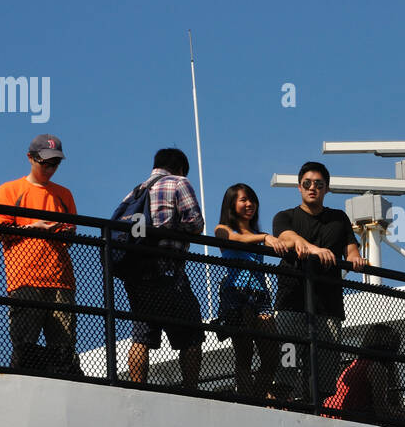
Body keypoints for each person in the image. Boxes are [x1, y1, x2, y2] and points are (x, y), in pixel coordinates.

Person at [271, 161, 367, 401]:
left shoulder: (338, 218)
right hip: (291, 305)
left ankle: (315, 413)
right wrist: (315, 250)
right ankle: (280, 410)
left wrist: (356, 259)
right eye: (307, 183)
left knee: (323, 376)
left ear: (327, 189)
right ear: (299, 187)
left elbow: (351, 250)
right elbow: (287, 237)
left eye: (318, 184)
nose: (312, 187)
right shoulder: (285, 217)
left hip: (328, 306)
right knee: (286, 365)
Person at [0, 134, 78, 373]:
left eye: (55, 163)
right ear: (30, 158)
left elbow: (71, 235)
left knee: (64, 348)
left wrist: (62, 233)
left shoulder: (64, 194)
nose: (50, 169)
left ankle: (63, 388)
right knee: (24, 345)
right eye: (45, 162)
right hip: (25, 279)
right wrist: (33, 228)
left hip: (61, 280)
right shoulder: (10, 190)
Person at [122, 148, 205, 388]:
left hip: (138, 273)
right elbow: (195, 223)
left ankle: (138, 389)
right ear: (180, 167)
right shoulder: (179, 182)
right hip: (169, 270)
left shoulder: (136, 191)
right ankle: (191, 390)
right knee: (192, 334)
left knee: (141, 337)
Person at [214, 182, 289, 398]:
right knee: (244, 352)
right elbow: (236, 239)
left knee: (272, 355)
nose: (250, 204)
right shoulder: (223, 229)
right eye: (243, 200)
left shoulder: (259, 233)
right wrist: (265, 237)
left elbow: (282, 244)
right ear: (231, 204)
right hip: (236, 294)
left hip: (261, 296)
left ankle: (256, 398)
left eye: (252, 199)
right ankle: (248, 399)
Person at [322, 324, 405, 425]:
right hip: (348, 418)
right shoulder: (376, 368)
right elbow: (380, 409)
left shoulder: (355, 364)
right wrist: (403, 416)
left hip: (335, 415)